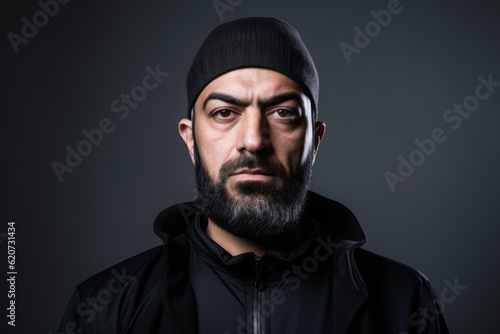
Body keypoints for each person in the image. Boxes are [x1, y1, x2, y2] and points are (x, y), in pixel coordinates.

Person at [58, 17, 449, 334]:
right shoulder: (106, 310)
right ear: (191, 138)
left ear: (315, 140)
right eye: (225, 113)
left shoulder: (403, 302)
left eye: (283, 113)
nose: (253, 140)